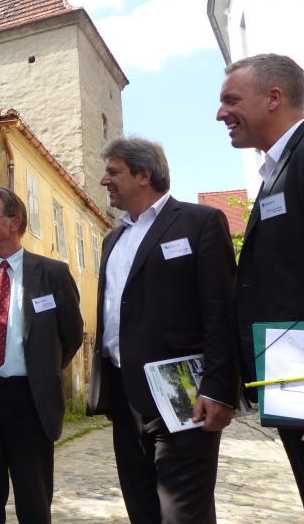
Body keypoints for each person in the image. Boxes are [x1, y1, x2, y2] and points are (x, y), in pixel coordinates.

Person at [86, 137, 237, 523]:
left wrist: (219, 390)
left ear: (144, 175)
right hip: (125, 394)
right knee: (142, 507)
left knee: (183, 511)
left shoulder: (199, 222)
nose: (104, 180)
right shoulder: (112, 239)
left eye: (113, 171)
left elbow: (221, 311)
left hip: (184, 390)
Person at [216, 53, 304, 521]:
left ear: (274, 97)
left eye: (231, 100)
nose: (220, 114)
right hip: (294, 384)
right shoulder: (279, 167)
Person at [0, 187, 83, 524]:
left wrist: (40, 369)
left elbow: (70, 335)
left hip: (30, 400)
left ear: (14, 222)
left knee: (34, 498)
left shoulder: (51, 273)